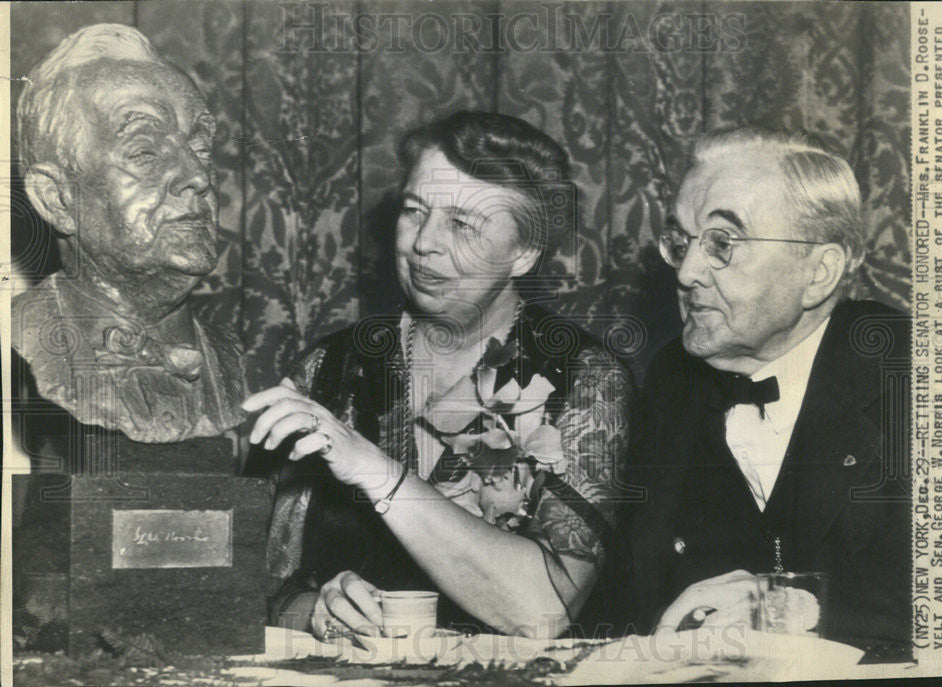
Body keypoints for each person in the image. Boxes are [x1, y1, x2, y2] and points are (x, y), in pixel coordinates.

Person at [244, 111, 633, 639]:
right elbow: (247, 587)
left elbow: (544, 610)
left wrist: (374, 469)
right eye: (414, 211)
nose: (424, 242)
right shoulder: (328, 370)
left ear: (524, 252)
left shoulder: (584, 378)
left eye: (462, 223)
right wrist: (313, 611)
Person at [626, 128, 910, 657]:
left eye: (722, 243)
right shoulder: (670, 379)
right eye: (682, 241)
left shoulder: (919, 377)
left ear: (819, 273)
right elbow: (639, 592)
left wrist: (791, 607)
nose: (687, 273)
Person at [12, 23, 244, 446]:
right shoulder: (21, 338)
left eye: (201, 149)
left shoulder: (227, 359)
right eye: (144, 152)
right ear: (58, 200)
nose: (196, 177)